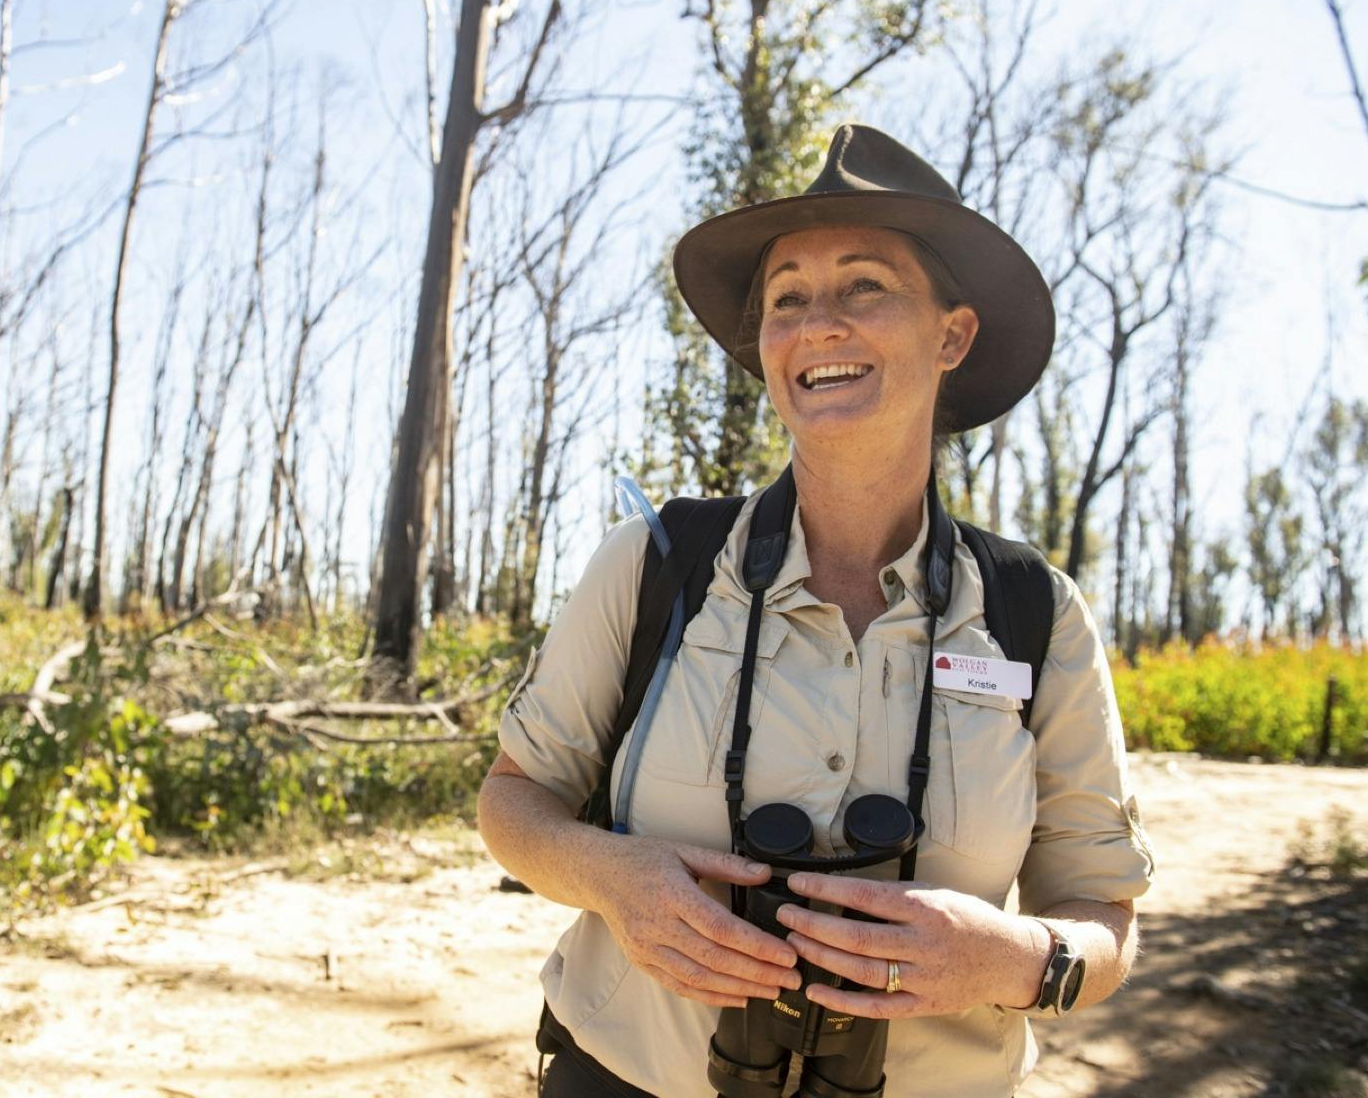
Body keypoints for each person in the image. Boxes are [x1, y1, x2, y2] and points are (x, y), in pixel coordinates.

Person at [476, 123, 1156, 1098]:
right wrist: (612, 880)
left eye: (862, 287)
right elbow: (512, 799)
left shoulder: (1032, 618)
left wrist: (1002, 960)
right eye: (787, 298)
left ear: (950, 335)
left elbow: (1101, 922)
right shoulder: (655, 567)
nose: (816, 323)